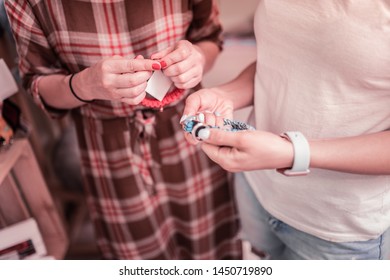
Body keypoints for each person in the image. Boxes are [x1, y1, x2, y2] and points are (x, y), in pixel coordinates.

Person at [5, 0, 241, 259]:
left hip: (191, 129)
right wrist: (84, 85)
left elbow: (209, 38)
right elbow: (37, 85)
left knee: (212, 247)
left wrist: (198, 59)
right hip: (109, 151)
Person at [182, 1, 390, 260]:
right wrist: (225, 95)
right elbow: (286, 59)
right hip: (256, 188)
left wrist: (293, 153)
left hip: (335, 227)